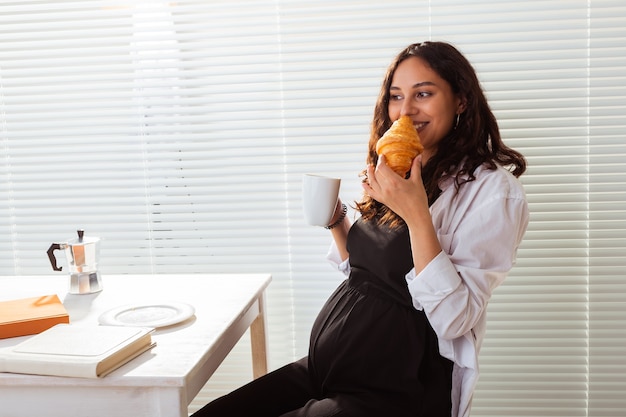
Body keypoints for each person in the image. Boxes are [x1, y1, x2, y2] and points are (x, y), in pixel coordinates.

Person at [192, 41, 529, 417]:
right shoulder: (397, 166)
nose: (406, 109)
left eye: (423, 93)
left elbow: (455, 319)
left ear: (461, 100)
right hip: (327, 370)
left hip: (391, 389)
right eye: (396, 96)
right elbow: (372, 274)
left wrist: (417, 214)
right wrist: (337, 222)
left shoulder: (492, 193)